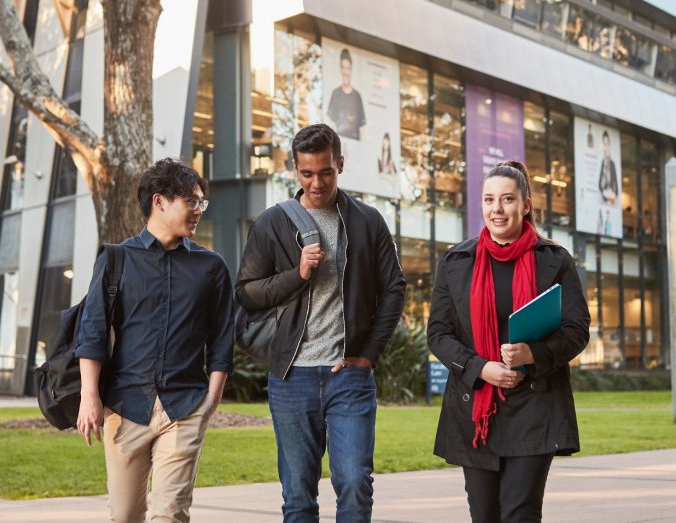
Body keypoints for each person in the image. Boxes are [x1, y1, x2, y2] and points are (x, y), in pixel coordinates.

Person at [236, 123, 406, 522]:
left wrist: (367, 355)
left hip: (349, 374)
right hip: (291, 377)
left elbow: (394, 289)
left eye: (326, 172)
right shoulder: (272, 223)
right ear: (294, 168)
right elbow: (246, 292)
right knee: (297, 496)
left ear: (340, 165)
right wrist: (298, 275)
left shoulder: (367, 221)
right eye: (307, 173)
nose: (317, 183)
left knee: (354, 482)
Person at [427, 160, 590, 523]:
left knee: (520, 513)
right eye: (488, 200)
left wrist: (533, 353)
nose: (496, 209)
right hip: (477, 408)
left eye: (507, 199)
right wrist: (480, 368)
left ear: (526, 205)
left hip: (535, 403)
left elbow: (577, 329)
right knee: (484, 515)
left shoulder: (555, 260)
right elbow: (438, 334)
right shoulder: (455, 262)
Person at [75, 158, 234, 522]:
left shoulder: (211, 267)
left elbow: (223, 339)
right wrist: (90, 396)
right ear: (160, 201)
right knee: (125, 515)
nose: (198, 211)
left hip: (185, 406)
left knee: (170, 514)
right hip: (125, 405)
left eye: (201, 203)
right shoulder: (116, 259)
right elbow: (93, 331)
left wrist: (210, 400)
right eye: (191, 201)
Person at [327, 48, 366, 140]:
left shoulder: (357, 96)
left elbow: (362, 130)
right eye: (343, 68)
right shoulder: (335, 93)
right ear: (340, 69)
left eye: (348, 68)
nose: (345, 72)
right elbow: (330, 124)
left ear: (351, 70)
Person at [598, 130, 618, 204]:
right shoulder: (602, 163)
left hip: (612, 196)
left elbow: (616, 187)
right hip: (604, 196)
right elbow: (600, 185)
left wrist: (614, 194)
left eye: (607, 144)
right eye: (604, 144)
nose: (606, 147)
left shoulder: (612, 164)